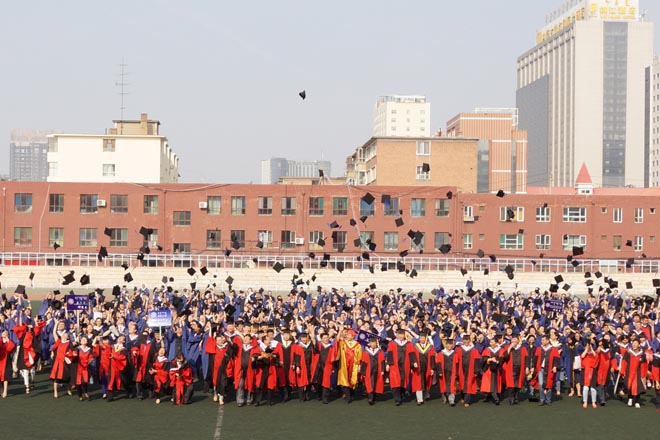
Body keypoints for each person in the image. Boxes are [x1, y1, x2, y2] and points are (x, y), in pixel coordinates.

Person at [620, 338, 648, 409]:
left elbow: (643, 365)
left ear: (639, 345)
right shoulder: (628, 353)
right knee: (629, 385)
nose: (634, 344)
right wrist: (622, 372)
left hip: (637, 372)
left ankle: (637, 401)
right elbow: (624, 363)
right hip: (629, 372)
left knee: (638, 387)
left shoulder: (642, 354)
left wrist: (643, 375)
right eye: (633, 343)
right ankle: (630, 398)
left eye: (636, 343)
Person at [501, 334, 529, 405]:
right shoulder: (507, 347)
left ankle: (516, 398)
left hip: (520, 368)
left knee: (518, 384)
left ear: (518, 340)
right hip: (511, 368)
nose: (513, 341)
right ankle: (511, 398)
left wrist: (527, 367)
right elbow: (505, 357)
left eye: (515, 339)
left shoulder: (523, 348)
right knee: (511, 384)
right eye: (512, 340)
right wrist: (510, 348)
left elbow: (526, 358)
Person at [336, 328, 362, 403]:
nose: (347, 336)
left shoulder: (357, 345)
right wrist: (340, 331)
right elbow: (337, 341)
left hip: (353, 365)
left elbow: (359, 356)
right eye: (347, 334)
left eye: (349, 335)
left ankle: (351, 394)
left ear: (353, 336)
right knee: (344, 380)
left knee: (352, 380)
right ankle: (348, 397)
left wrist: (359, 366)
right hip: (344, 365)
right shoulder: (343, 343)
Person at [387, 328, 411, 406]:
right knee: (395, 381)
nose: (400, 336)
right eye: (399, 334)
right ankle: (397, 399)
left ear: (404, 335)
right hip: (394, 366)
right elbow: (389, 354)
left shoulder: (408, 344)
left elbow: (411, 354)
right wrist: (389, 364)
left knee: (404, 380)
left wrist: (413, 364)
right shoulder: (392, 344)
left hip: (405, 365)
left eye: (402, 334)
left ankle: (402, 394)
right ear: (396, 335)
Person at [410, 330, 435, 405]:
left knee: (427, 381)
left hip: (427, 367)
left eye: (423, 338)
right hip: (418, 367)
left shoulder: (430, 347)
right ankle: (419, 399)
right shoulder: (415, 346)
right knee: (418, 382)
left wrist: (432, 368)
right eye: (420, 338)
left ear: (426, 338)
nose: (421, 339)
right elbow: (412, 356)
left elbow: (432, 357)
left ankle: (425, 395)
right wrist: (413, 363)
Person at [535, 334, 560, 406]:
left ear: (548, 340)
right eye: (541, 340)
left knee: (549, 384)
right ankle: (542, 399)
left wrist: (555, 366)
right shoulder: (539, 349)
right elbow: (535, 358)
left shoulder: (553, 349)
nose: (542, 341)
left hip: (550, 369)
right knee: (540, 384)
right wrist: (533, 367)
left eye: (543, 340)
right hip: (541, 369)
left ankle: (548, 399)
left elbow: (556, 359)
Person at [291, 331, 317, 402]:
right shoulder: (298, 346)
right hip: (302, 365)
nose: (303, 339)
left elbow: (315, 351)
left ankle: (307, 395)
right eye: (302, 338)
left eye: (305, 338)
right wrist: (297, 366)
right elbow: (296, 357)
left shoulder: (310, 345)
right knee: (301, 381)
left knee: (309, 380)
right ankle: (301, 397)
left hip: (310, 365)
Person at [311, 331, 336, 404]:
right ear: (321, 339)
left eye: (327, 337)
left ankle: (325, 398)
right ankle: (318, 394)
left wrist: (333, 368)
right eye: (324, 338)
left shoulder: (331, 347)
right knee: (317, 382)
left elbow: (333, 359)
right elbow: (314, 349)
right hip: (318, 366)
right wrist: (313, 336)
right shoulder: (319, 345)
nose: (326, 339)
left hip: (327, 367)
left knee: (326, 383)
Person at [359, 336, 385, 405]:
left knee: (376, 383)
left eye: (374, 343)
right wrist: (363, 372)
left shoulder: (380, 351)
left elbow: (382, 361)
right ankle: (370, 398)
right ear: (369, 343)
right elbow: (364, 362)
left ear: (376, 343)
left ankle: (374, 396)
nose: (373, 344)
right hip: (368, 370)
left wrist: (382, 370)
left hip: (378, 370)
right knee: (369, 383)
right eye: (372, 342)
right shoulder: (366, 352)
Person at [211, 334, 235, 405]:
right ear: (216, 341)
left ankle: (221, 398)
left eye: (221, 340)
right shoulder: (214, 349)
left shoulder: (226, 349)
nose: (220, 341)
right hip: (216, 369)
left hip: (224, 370)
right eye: (218, 340)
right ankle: (216, 393)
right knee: (215, 383)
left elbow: (233, 350)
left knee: (223, 384)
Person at [458, 334, 481, 407]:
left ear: (470, 340)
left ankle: (467, 401)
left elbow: (477, 361)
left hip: (470, 369)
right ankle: (462, 397)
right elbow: (456, 361)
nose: (466, 341)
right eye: (464, 340)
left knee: (468, 384)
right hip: (461, 369)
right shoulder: (459, 349)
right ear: (463, 341)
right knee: (461, 383)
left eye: (467, 340)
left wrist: (476, 371)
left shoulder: (474, 350)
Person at [50, 330, 74, 399]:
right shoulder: (59, 342)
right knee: (56, 378)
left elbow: (71, 351)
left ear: (68, 337)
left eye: (65, 334)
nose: (63, 335)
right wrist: (52, 352)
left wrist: (68, 354)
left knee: (67, 377)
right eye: (63, 334)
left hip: (65, 362)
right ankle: (55, 391)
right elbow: (54, 348)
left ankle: (68, 389)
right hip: (57, 362)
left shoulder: (69, 343)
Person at [436, 337, 460, 406]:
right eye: (448, 344)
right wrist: (440, 371)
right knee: (443, 384)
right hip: (443, 372)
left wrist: (457, 373)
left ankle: (451, 400)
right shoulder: (441, 353)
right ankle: (444, 396)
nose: (449, 346)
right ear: (445, 345)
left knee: (452, 385)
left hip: (452, 372)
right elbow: (438, 363)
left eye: (451, 344)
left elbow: (457, 364)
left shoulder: (455, 353)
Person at [481, 335, 503, 405]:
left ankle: (493, 397)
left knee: (494, 383)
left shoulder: (500, 350)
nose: (491, 344)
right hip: (488, 369)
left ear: (496, 343)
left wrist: (498, 361)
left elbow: (502, 359)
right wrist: (490, 359)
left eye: (492, 342)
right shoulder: (487, 349)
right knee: (489, 384)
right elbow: (484, 359)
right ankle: (494, 398)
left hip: (497, 369)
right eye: (490, 342)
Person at [234, 333, 255, 407]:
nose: (245, 340)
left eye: (247, 339)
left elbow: (257, 355)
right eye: (244, 338)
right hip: (241, 369)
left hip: (250, 370)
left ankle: (249, 399)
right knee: (240, 384)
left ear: (251, 340)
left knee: (250, 384)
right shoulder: (240, 348)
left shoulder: (253, 348)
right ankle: (240, 400)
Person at [107, 335, 129, 402]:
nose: (120, 339)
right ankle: (110, 396)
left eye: (122, 338)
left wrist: (114, 356)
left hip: (119, 366)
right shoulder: (112, 346)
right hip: (111, 366)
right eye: (119, 337)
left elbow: (123, 357)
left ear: (124, 341)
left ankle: (129, 391)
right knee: (110, 381)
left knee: (124, 380)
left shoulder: (124, 349)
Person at [580, 341, 599, 409]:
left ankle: (594, 402)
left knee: (593, 388)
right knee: (585, 388)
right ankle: (585, 401)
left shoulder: (594, 354)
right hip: (585, 372)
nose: (588, 347)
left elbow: (596, 358)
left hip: (592, 372)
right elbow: (582, 356)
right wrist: (586, 349)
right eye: (587, 345)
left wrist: (591, 349)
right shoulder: (584, 354)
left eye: (590, 346)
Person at [74, 335, 94, 401]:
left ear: (87, 341)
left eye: (85, 340)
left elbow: (91, 358)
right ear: (80, 341)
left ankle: (85, 392)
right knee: (78, 383)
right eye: (82, 340)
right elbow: (74, 356)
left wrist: (88, 363)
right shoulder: (77, 349)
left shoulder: (89, 350)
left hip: (86, 367)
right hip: (78, 367)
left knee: (84, 382)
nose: (84, 341)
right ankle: (80, 395)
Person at [0, 330, 16, 398]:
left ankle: (5, 391)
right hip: (0, 360)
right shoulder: (0, 341)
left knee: (5, 377)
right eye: (3, 332)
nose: (4, 334)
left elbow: (10, 348)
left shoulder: (10, 342)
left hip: (6, 361)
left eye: (5, 333)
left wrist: (7, 339)